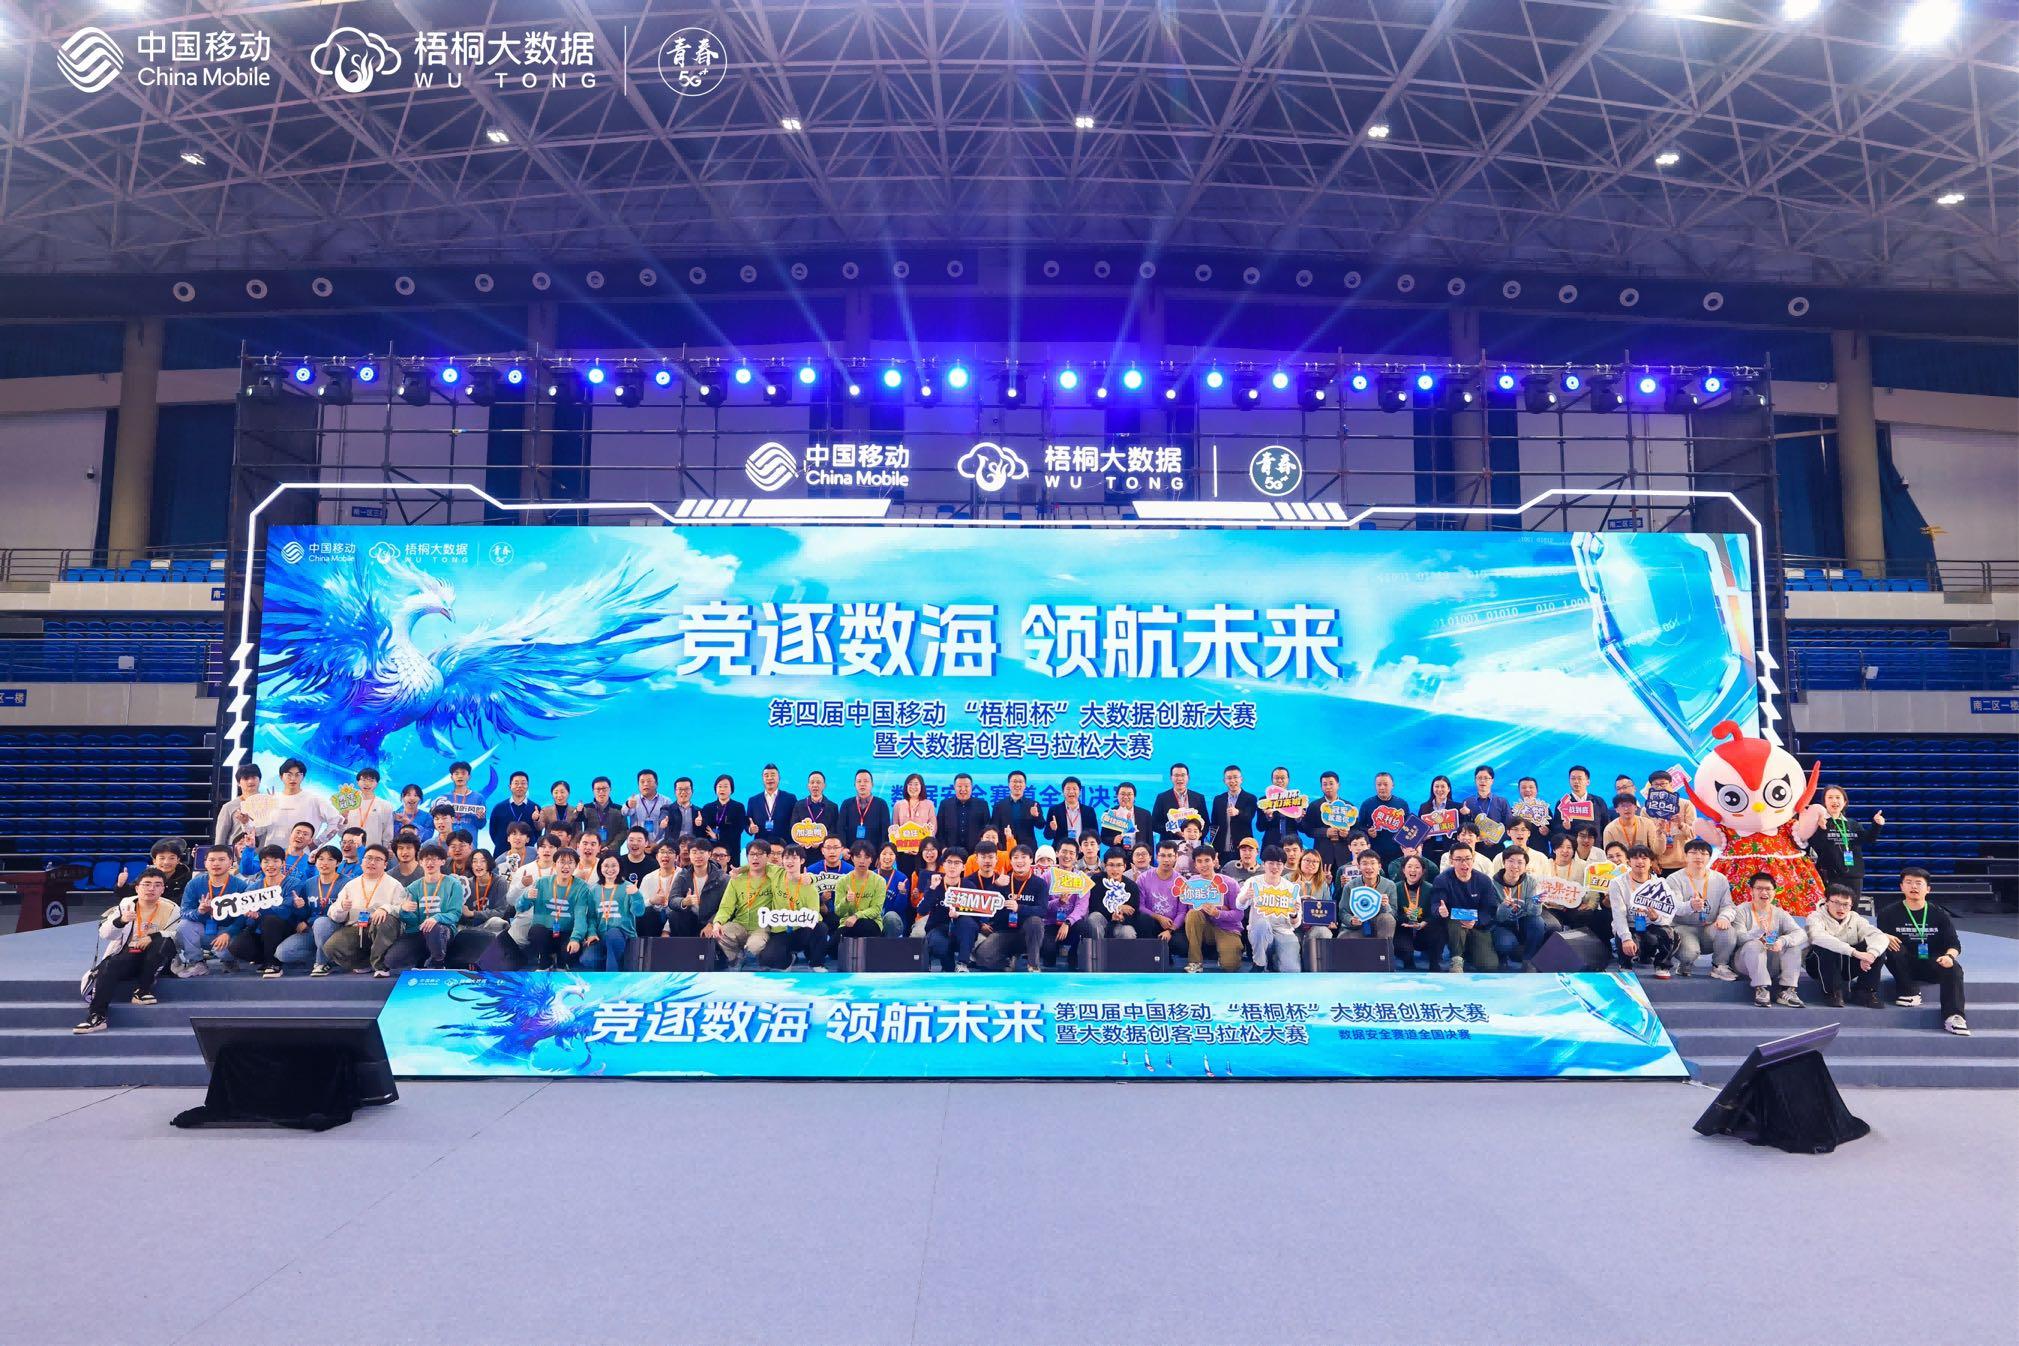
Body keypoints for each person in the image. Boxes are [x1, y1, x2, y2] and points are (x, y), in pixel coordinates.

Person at [75, 868, 181, 1033]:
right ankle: (97, 1016)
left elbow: (178, 936)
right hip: (129, 955)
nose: (151, 889)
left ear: (163, 889)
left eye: (157, 885)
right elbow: (105, 934)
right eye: (146, 884)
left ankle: (142, 990)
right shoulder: (126, 905)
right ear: (137, 888)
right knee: (109, 965)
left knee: (163, 942)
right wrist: (121, 921)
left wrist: (153, 937)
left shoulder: (172, 909)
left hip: (157, 958)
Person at [1876, 868, 1968, 1034]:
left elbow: (1954, 944)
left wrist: (1949, 956)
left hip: (1932, 962)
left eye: (1919, 883)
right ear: (1901, 887)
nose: (1914, 887)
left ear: (1928, 889)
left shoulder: (1939, 914)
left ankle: (1954, 1016)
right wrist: (1883, 936)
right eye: (1909, 882)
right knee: (1887, 944)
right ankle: (1908, 991)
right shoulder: (1887, 913)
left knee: (1954, 967)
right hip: (1904, 963)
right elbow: (1876, 939)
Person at [321, 845, 406, 977]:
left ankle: (380, 966)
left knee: (385, 919)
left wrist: (385, 908)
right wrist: (342, 907)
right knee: (331, 947)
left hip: (382, 928)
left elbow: (402, 908)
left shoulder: (394, 884)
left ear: (385, 864)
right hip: (357, 928)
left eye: (377, 859)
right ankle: (364, 964)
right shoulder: (351, 885)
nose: (372, 862)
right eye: (368, 858)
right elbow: (334, 915)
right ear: (362, 862)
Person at [1805, 883, 1890, 1009]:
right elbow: (1817, 937)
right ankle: (1832, 993)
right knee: (1825, 946)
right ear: (1826, 901)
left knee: (1877, 948)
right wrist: (1855, 953)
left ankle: (1864, 992)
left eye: (1846, 904)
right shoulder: (1815, 917)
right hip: (1819, 966)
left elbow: (1879, 935)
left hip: (1847, 966)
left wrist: (1871, 955)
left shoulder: (1855, 918)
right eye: (1836, 903)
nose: (1841, 908)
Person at [1730, 873, 1806, 1008]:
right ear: (1751, 891)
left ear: (1774, 892)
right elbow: (1738, 938)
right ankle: (1761, 989)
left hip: (1771, 962)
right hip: (1744, 962)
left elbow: (1801, 933)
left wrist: (1782, 941)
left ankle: (1787, 990)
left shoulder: (1780, 913)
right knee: (1754, 945)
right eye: (1759, 888)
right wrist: (1758, 932)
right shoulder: (1741, 910)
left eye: (1768, 889)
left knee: (1792, 946)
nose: (1764, 892)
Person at [388, 843, 467, 971]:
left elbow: (455, 914)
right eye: (426, 859)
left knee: (434, 928)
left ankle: (438, 962)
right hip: (418, 931)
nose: (430, 863)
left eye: (434, 859)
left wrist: (436, 918)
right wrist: (404, 911)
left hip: (442, 930)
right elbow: (412, 921)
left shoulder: (453, 884)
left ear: (442, 862)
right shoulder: (413, 887)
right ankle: (423, 958)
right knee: (391, 961)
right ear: (420, 862)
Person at [174, 844, 251, 975]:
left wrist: (229, 933)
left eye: (221, 859)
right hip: (204, 930)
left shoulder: (241, 885)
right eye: (212, 860)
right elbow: (184, 912)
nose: (216, 863)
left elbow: (244, 917)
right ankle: (197, 962)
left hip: (229, 932)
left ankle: (229, 960)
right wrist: (199, 911)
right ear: (205, 863)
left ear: (230, 862)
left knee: (226, 951)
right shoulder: (194, 884)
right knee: (184, 926)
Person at [1664, 839, 1734, 977]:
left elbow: (1728, 905)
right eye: (1693, 852)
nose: (1698, 856)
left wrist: (1724, 917)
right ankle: (1685, 963)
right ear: (1685, 856)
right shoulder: (1673, 879)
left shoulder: (1720, 879)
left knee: (1728, 930)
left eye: (1703, 853)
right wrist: (1690, 905)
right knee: (1688, 954)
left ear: (1709, 857)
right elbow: (1673, 907)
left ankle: (1719, 965)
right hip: (1684, 927)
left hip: (1710, 927)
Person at [1608, 845, 1679, 979]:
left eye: (1644, 858)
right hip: (1629, 925)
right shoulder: (1617, 883)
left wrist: (1656, 918)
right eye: (1635, 858)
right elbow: (1618, 915)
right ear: (1628, 862)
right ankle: (1625, 965)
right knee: (1622, 935)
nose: (1640, 861)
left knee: (1670, 933)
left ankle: (1662, 965)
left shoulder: (1660, 883)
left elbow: (1668, 916)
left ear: (1651, 862)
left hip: (1651, 925)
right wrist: (1626, 938)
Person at [704, 841, 777, 968]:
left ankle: (756, 958)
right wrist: (717, 923)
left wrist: (743, 867)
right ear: (747, 856)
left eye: (760, 854)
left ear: (768, 856)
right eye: (752, 854)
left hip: (761, 927)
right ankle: (735, 958)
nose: (755, 858)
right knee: (721, 934)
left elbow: (777, 868)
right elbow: (726, 906)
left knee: (754, 947)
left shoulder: (774, 878)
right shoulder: (737, 879)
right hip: (740, 924)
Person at [755, 847, 830, 970]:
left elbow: (814, 916)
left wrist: (812, 878)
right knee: (767, 960)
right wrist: (739, 870)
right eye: (786, 858)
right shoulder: (777, 873)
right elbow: (757, 863)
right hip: (780, 931)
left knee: (820, 927)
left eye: (794, 858)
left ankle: (817, 964)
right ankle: (789, 959)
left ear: (802, 861)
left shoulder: (809, 886)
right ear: (782, 860)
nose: (790, 861)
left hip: (801, 931)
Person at [514, 847, 585, 970]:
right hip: (545, 931)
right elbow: (520, 907)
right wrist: (526, 897)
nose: (566, 866)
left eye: (570, 863)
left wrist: (576, 938)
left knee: (569, 950)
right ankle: (545, 962)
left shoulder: (581, 887)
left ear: (576, 866)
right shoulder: (541, 883)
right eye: (562, 862)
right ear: (554, 864)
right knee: (536, 932)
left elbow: (581, 917)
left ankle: (562, 963)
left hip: (567, 932)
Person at [1431, 843, 1498, 973]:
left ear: (1473, 859)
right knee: (1455, 922)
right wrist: (1440, 910)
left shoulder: (1484, 880)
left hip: (1477, 925)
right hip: (1453, 924)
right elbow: (1435, 904)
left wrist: (1476, 922)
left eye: (1468, 859)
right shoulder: (1442, 879)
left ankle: (1469, 953)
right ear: (1451, 861)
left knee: (1489, 966)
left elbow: (1490, 909)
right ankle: (1456, 959)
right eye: (1459, 859)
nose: (1464, 863)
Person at [570, 853, 643, 972]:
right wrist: (591, 933)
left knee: (613, 934)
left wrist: (636, 895)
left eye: (614, 865)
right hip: (600, 936)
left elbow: (639, 912)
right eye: (606, 866)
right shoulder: (594, 889)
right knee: (587, 960)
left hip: (622, 934)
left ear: (620, 867)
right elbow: (591, 917)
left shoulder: (628, 887)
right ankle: (614, 961)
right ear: (600, 868)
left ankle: (612, 973)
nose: (610, 869)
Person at [1811, 786, 1885, 898]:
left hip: (1853, 875)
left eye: (1838, 797)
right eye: (1830, 797)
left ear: (1844, 802)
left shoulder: (1852, 823)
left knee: (1852, 907)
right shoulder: (1818, 823)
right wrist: (1822, 829)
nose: (1834, 800)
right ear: (1824, 802)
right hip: (1830, 876)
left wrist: (1877, 825)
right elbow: (1816, 846)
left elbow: (1868, 839)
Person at [1179, 847, 1244, 973]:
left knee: (1230, 966)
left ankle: (1224, 954)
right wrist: (1202, 907)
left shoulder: (1230, 883)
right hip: (1204, 927)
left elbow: (1239, 914)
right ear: (1195, 865)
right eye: (1199, 861)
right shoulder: (1192, 882)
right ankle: (1195, 962)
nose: (1204, 865)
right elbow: (1189, 909)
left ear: (1214, 861)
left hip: (1227, 928)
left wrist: (1218, 912)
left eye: (1207, 860)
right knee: (1192, 914)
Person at [1322, 850, 1397, 954]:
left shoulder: (1389, 885)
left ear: (1379, 866)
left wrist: (1386, 906)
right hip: (1357, 927)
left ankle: (1384, 954)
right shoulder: (1350, 886)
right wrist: (1351, 920)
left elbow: (1394, 913)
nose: (1369, 867)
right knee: (1342, 941)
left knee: (1388, 919)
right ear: (1358, 866)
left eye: (1373, 863)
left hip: (1379, 925)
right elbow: (1343, 912)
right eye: (1364, 863)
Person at [264, 757, 341, 848]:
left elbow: (336, 819)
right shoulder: (271, 799)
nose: (293, 778)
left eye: (298, 775)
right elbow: (259, 830)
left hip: (301, 853)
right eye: (289, 774)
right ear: (281, 776)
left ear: (303, 777)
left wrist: (317, 842)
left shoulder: (314, 799)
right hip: (271, 853)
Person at [1487, 846, 1545, 969]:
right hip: (1502, 925)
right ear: (1504, 863)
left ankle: (1528, 961)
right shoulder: (1492, 884)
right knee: (1505, 944)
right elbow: (1497, 918)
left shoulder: (1531, 881)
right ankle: (1502, 958)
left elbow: (1535, 913)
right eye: (1511, 861)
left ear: (1525, 866)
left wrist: (1537, 902)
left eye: (1520, 862)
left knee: (1538, 923)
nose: (1515, 866)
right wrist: (1504, 906)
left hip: (1523, 921)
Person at [918, 849, 966, 971]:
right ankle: (949, 969)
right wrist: (932, 888)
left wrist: (960, 914)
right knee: (939, 944)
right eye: (949, 862)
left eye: (957, 863)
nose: (952, 866)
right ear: (943, 865)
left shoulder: (968, 886)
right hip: (938, 927)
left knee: (968, 929)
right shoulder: (935, 884)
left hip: (960, 927)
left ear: (963, 867)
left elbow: (976, 916)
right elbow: (922, 910)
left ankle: (962, 965)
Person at [831, 841, 888, 940]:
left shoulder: (879, 881)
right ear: (852, 858)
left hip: (872, 922)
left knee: (861, 925)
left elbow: (876, 909)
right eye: (858, 857)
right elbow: (838, 912)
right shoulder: (842, 881)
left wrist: (856, 916)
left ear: (871, 860)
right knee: (834, 943)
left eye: (866, 857)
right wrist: (846, 900)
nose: (862, 861)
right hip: (847, 923)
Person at [1393, 854, 1440, 971]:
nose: (1413, 870)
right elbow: (1392, 913)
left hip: (1423, 928)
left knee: (1438, 929)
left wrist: (1423, 923)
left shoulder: (1430, 888)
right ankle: (1408, 961)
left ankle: (1434, 963)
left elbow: (1433, 914)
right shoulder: (1395, 888)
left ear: (1423, 871)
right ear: (1403, 870)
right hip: (1403, 928)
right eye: (1409, 866)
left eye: (1417, 867)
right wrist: (1405, 917)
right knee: (1406, 952)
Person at [1151, 763, 1208, 847]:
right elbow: (1154, 824)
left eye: (1183, 775)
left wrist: (1197, 835)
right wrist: (1174, 831)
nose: (1180, 778)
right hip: (1169, 846)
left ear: (1188, 777)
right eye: (1176, 775)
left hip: (1194, 845)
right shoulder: (1162, 798)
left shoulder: (1199, 797)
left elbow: (1206, 823)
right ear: (1171, 778)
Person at [1358, 772, 1409, 867]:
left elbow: (1408, 827)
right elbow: (1359, 827)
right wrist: (1367, 831)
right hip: (1374, 855)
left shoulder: (1402, 804)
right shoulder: (1367, 804)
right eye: (1379, 784)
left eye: (1385, 784)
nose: (1382, 787)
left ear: (1392, 785)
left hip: (1398, 853)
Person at [696, 774, 747, 868]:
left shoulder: (738, 807)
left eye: (725, 786)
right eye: (719, 786)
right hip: (711, 850)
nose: (722, 789)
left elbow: (738, 829)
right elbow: (703, 831)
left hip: (731, 850)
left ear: (731, 789)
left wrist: (718, 836)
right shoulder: (707, 807)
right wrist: (698, 824)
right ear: (715, 789)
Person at [791, 771, 842, 864]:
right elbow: (793, 826)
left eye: (818, 782)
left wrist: (821, 841)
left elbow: (834, 830)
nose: (815, 785)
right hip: (803, 852)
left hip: (823, 853)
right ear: (808, 786)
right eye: (812, 782)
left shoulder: (832, 807)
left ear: (824, 785)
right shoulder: (799, 805)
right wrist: (799, 840)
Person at [1553, 765, 1611, 846]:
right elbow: (1555, 829)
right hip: (1573, 848)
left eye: (1580, 778)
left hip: (1595, 847)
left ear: (1588, 782)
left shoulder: (1598, 802)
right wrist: (1564, 827)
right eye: (1573, 778)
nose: (1576, 781)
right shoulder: (1562, 803)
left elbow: (1606, 826)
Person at [837, 769, 890, 857]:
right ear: (854, 785)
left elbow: (885, 832)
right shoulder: (846, 804)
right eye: (859, 781)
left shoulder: (881, 804)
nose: (862, 784)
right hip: (850, 855)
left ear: (872, 784)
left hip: (874, 855)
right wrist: (843, 848)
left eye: (866, 781)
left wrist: (881, 854)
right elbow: (841, 828)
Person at [935, 773, 993, 853]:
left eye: (966, 786)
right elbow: (939, 831)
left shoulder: (982, 805)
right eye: (959, 786)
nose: (963, 789)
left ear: (971, 787)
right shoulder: (945, 804)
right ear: (954, 787)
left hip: (976, 853)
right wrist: (943, 848)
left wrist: (981, 849)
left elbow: (987, 829)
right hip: (951, 853)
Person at [1211, 765, 1258, 862]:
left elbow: (1249, 817)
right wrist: (1213, 848)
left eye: (1235, 777)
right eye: (1229, 778)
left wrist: (1238, 812)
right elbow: (1214, 824)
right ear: (1224, 781)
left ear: (1241, 779)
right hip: (1221, 848)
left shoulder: (1250, 798)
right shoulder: (1218, 799)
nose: (1232, 781)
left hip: (1243, 848)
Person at [744, 763, 797, 849]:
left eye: (773, 775)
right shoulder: (753, 800)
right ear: (762, 779)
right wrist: (750, 829)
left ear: (779, 778)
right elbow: (747, 822)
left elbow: (795, 821)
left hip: (784, 845)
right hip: (761, 846)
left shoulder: (790, 798)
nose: (769, 778)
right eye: (766, 775)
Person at [214, 763, 266, 847]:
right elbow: (220, 838)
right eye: (246, 778)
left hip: (264, 853)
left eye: (253, 777)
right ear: (238, 783)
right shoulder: (229, 807)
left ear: (259, 780)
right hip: (237, 853)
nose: (250, 781)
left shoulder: (268, 803)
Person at [487, 771, 539, 853]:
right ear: (510, 786)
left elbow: (538, 832)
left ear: (527, 786)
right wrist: (501, 844)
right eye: (516, 783)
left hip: (527, 854)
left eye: (523, 783)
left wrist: (536, 820)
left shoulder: (535, 808)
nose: (520, 786)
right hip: (502, 852)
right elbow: (493, 831)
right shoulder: (499, 807)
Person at [1601, 793, 1661, 863]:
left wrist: (1660, 834)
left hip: (1644, 864)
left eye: (1629, 805)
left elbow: (1656, 850)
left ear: (1636, 807)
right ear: (1616, 809)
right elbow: (1609, 855)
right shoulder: (1610, 829)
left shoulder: (1647, 823)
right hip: (1621, 865)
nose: (1626, 809)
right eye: (1623, 806)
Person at [991, 770, 1043, 849]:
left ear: (1025, 785)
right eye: (1014, 781)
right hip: (1005, 846)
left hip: (1028, 848)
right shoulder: (999, 805)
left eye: (1020, 782)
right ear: (1009, 784)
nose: (1018, 784)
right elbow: (995, 827)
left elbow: (1041, 826)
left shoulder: (1033, 804)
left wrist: (1036, 816)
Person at [1417, 775, 1459, 866]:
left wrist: (1467, 814)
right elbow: (1419, 832)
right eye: (1436, 786)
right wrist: (1423, 836)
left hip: (1450, 849)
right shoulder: (1424, 807)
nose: (1439, 789)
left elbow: (1462, 830)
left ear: (1448, 789)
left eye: (1443, 786)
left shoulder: (1457, 807)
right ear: (1432, 789)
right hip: (1429, 850)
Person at [1099, 781, 1152, 854]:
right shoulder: (1110, 813)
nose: (1126, 797)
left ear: (1134, 796)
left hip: (1139, 855)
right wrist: (1113, 840)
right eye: (1122, 794)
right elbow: (1103, 837)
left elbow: (1149, 839)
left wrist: (1150, 858)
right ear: (1117, 795)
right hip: (1118, 855)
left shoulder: (1145, 814)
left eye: (1129, 794)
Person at [1045, 776, 1094, 851]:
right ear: (1063, 792)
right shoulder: (1054, 810)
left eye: (1074, 789)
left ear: (1080, 791)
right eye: (1068, 789)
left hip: (1083, 852)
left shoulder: (1089, 811)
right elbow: (1047, 836)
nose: (1071, 791)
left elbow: (1095, 836)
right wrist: (1052, 829)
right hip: (1061, 853)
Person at [577, 776, 627, 849]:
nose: (601, 792)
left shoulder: (619, 809)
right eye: (598, 789)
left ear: (610, 789)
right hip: (591, 850)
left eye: (604, 789)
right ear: (593, 791)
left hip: (612, 851)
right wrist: (578, 812)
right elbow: (578, 829)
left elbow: (624, 832)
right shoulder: (586, 808)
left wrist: (611, 847)